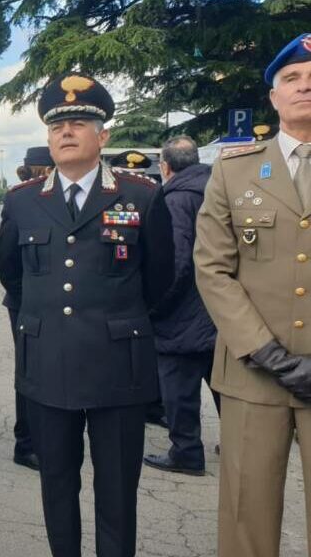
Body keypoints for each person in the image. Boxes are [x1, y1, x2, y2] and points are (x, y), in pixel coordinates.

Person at [0, 74, 175, 557]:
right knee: (56, 486)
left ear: (104, 135)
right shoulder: (22, 202)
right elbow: (12, 277)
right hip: (47, 367)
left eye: (80, 122)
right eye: (57, 126)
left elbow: (161, 278)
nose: (67, 132)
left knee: (118, 492)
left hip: (119, 368)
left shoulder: (140, 196)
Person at [194, 33, 311, 557]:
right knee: (247, 519)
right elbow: (212, 268)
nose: (304, 86)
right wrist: (267, 352)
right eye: (292, 78)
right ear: (273, 97)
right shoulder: (233, 168)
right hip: (253, 372)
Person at [143, 136, 220, 476]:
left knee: (178, 390)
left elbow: (174, 263)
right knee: (221, 384)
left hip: (181, 315)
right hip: (217, 311)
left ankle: (186, 452)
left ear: (165, 166)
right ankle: (236, 444)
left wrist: (153, 307)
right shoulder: (217, 189)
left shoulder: (176, 200)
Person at [5, 146, 55, 473]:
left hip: (55, 304)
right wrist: (27, 302)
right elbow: (7, 264)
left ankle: (47, 436)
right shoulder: (21, 200)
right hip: (26, 304)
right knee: (29, 372)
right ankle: (26, 443)